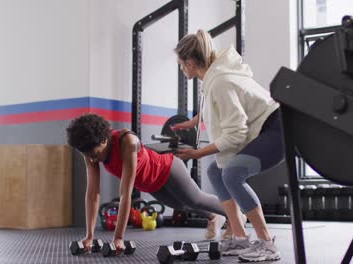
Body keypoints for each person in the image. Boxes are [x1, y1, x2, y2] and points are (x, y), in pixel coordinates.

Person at [172, 29, 284, 262]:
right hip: (265, 128)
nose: (182, 69)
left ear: (191, 63)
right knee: (216, 170)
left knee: (232, 174)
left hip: (278, 131)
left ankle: (266, 243)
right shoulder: (216, 75)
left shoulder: (219, 81)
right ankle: (240, 236)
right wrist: (194, 121)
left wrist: (197, 153)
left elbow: (235, 134)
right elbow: (220, 107)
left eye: (181, 64)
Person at [66, 113, 237, 255]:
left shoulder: (127, 141)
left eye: (94, 155)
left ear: (104, 140)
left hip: (167, 169)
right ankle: (214, 217)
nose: (91, 159)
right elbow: (93, 193)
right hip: (150, 183)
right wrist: (89, 235)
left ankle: (236, 215)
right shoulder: (90, 149)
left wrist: (118, 237)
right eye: (87, 155)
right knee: (181, 205)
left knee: (195, 199)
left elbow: (126, 194)